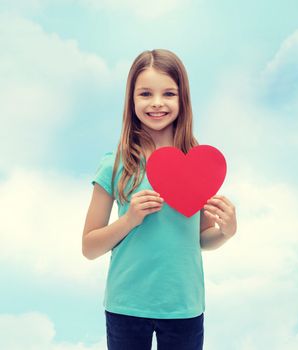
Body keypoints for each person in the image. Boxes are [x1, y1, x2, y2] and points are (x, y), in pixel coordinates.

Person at [82, 49, 237, 350]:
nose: (156, 103)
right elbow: (89, 247)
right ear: (132, 100)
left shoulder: (201, 166)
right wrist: (129, 220)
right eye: (145, 93)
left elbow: (200, 239)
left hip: (183, 306)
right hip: (126, 306)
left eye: (168, 93)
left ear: (183, 100)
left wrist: (225, 232)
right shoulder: (114, 165)